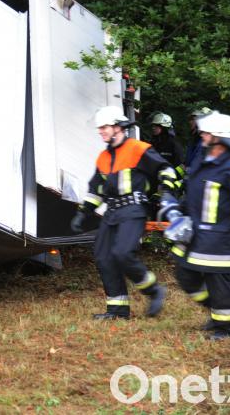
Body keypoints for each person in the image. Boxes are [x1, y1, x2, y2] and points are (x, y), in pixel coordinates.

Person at [70, 106, 176, 320]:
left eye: (104, 127)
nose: (100, 131)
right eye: (99, 128)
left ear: (118, 127)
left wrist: (166, 192)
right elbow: (96, 190)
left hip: (133, 209)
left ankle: (154, 290)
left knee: (122, 253)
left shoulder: (139, 149)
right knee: (103, 257)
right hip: (112, 212)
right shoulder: (103, 157)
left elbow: (166, 170)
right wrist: (84, 212)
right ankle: (117, 310)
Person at [163, 112, 230, 340]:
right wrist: (175, 208)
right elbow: (195, 195)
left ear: (220, 137)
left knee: (219, 281)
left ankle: (227, 327)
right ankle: (216, 311)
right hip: (195, 235)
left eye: (207, 132)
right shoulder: (205, 161)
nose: (202, 134)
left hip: (219, 238)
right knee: (185, 274)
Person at [183, 107, 214, 172]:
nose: (190, 122)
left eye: (194, 119)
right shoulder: (194, 139)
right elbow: (186, 164)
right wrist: (173, 172)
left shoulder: (208, 142)